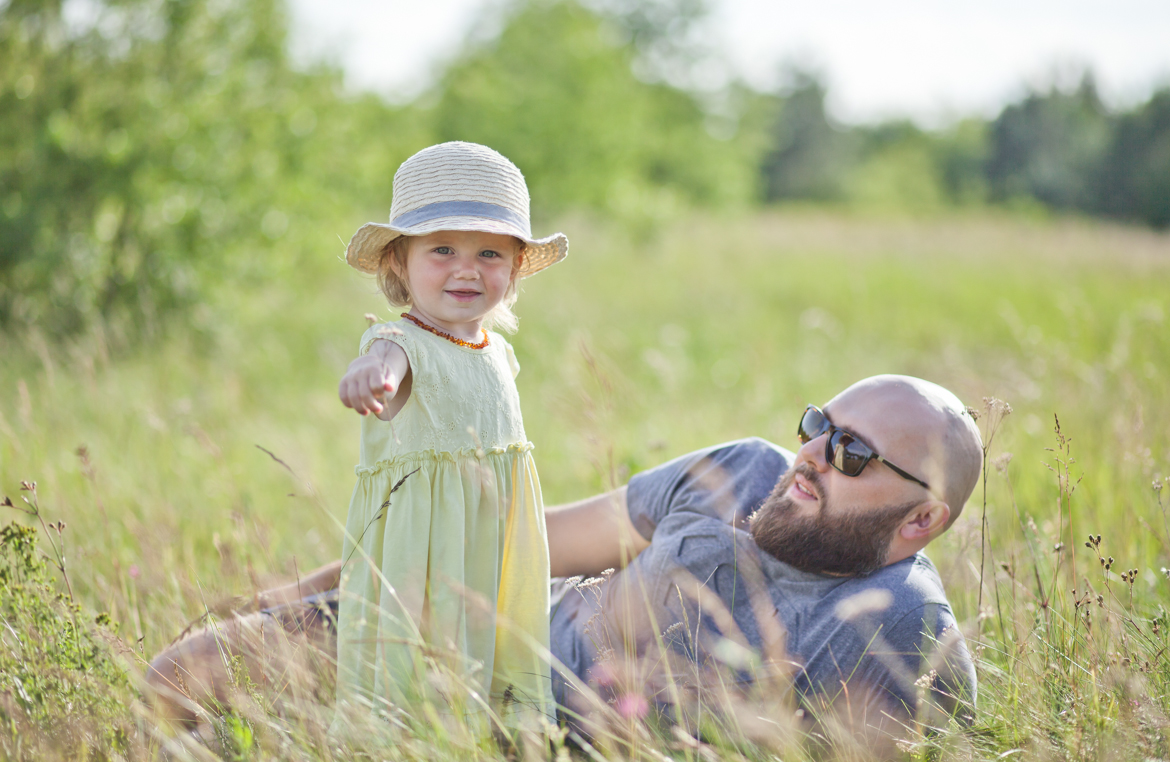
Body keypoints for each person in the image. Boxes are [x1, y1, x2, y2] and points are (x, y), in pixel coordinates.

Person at [147, 374, 982, 746]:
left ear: (921, 520)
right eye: (818, 426)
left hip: (541, 741)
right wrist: (300, 590)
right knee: (180, 676)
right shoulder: (741, 471)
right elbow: (516, 547)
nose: (814, 456)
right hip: (471, 650)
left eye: (855, 454)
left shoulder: (903, 636)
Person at [333, 141, 567, 722]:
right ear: (398, 262)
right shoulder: (400, 342)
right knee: (426, 673)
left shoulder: (498, 351)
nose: (467, 268)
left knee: (498, 661)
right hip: (430, 552)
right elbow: (384, 365)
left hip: (494, 544)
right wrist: (371, 376)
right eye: (442, 249)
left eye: (489, 252)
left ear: (513, 268)